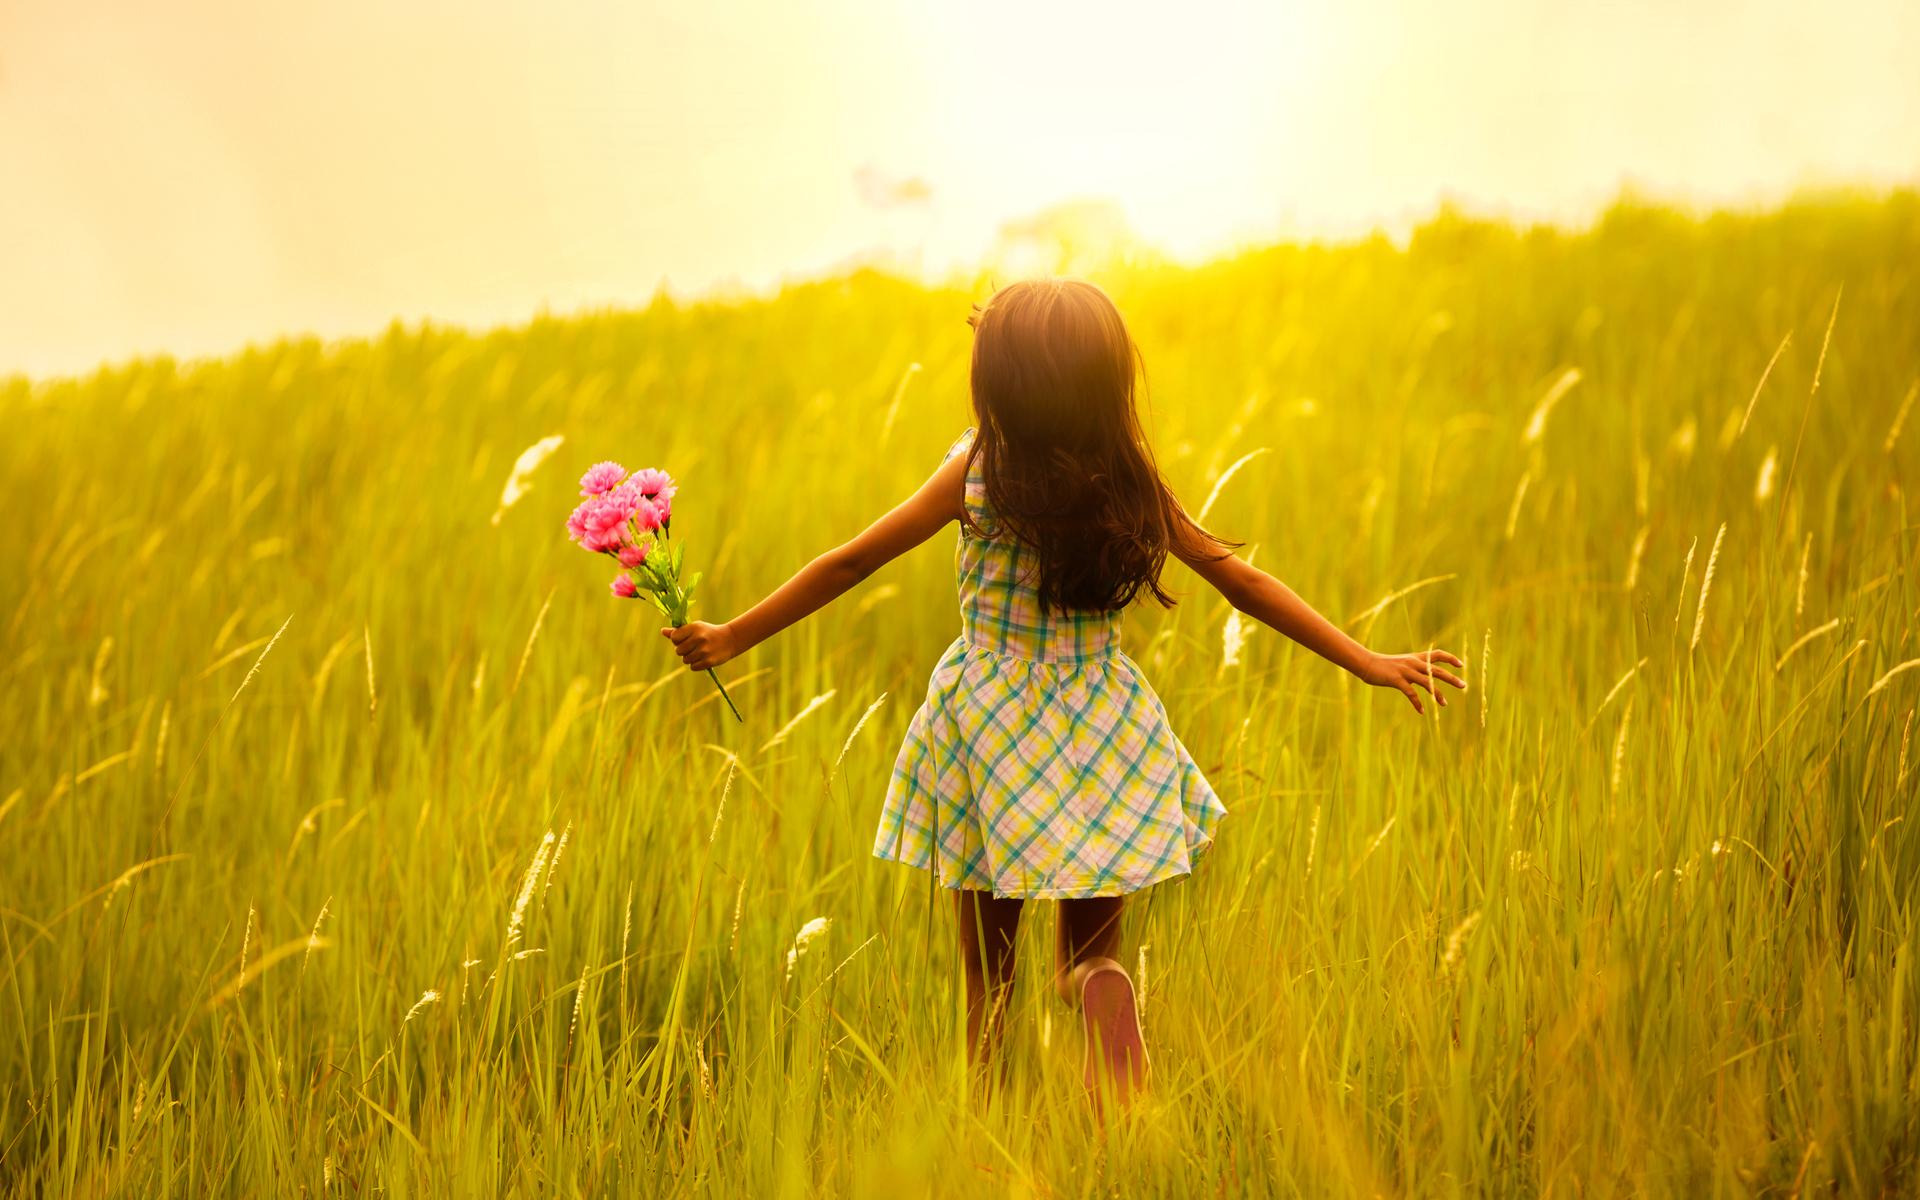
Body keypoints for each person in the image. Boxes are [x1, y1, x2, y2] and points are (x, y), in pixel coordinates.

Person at [663, 278, 1466, 1106]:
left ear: (1000, 384)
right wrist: (1366, 658)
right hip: (1102, 724)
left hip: (988, 732)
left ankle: (988, 1121)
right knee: (1088, 956)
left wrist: (733, 635)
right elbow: (1243, 581)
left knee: (990, 980)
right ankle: (1096, 993)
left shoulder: (976, 472)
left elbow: (851, 561)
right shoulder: (1128, 482)